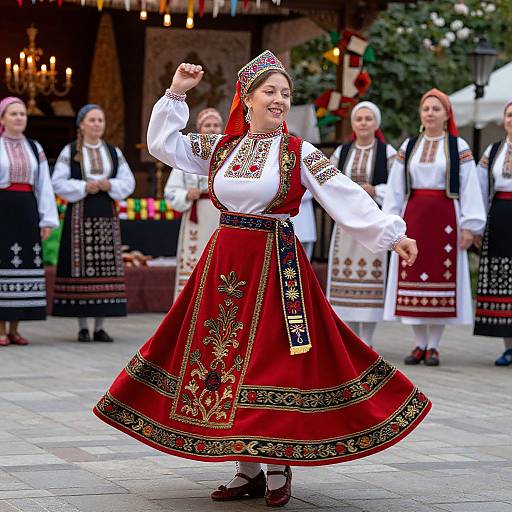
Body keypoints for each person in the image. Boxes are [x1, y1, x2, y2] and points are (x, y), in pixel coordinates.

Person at [94, 51, 430, 508]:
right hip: (225, 266)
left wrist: (393, 236)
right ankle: (245, 467)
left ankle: (275, 465)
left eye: (285, 93)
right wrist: (176, 93)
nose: (278, 100)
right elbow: (162, 145)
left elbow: (344, 196)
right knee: (224, 360)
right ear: (247, 98)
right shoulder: (221, 148)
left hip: (275, 266)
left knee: (270, 360)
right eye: (269, 91)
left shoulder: (299, 152)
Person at [383, 89, 486, 366]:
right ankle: (419, 343)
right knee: (412, 272)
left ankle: (434, 346)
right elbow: (395, 187)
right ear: (421, 114)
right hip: (413, 217)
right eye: (426, 108)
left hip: (445, 221)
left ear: (446, 114)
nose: (430, 113)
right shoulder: (409, 146)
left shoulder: (458, 146)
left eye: (436, 109)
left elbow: (469, 186)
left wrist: (470, 225)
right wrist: (391, 222)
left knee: (441, 276)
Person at [52, 104, 135, 342]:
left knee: (104, 265)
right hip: (80, 212)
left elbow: (127, 180)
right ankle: (83, 327)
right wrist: (83, 187)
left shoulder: (112, 151)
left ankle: (100, 326)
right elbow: (57, 181)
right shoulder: (71, 151)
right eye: (92, 120)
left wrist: (110, 185)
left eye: (100, 120)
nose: (97, 124)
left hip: (105, 213)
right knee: (82, 268)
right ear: (81, 124)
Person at [327, 102, 396, 348]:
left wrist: (375, 189)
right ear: (353, 124)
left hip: (371, 222)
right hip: (345, 224)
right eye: (359, 119)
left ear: (376, 124)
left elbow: (397, 187)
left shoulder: (387, 152)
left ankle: (367, 340)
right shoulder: (341, 153)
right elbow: (328, 183)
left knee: (370, 277)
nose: (363, 123)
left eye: (368, 119)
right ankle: (351, 339)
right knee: (343, 278)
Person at [0, 97, 59, 346]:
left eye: (22, 114)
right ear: (2, 118)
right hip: (3, 210)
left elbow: (44, 185)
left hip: (27, 211)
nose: (19, 118)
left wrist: (46, 219)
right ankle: (1, 329)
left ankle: (15, 328)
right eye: (13, 114)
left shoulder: (35, 148)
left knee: (23, 264)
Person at [164, 107, 223, 300]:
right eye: (207, 125)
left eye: (216, 125)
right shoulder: (188, 155)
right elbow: (170, 193)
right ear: (199, 128)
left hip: (222, 218)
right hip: (196, 219)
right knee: (195, 263)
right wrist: (187, 194)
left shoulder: (229, 155)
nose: (212, 129)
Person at [474, 99, 512, 366]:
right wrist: (478, 224)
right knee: (502, 278)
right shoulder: (494, 150)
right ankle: (508, 346)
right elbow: (479, 186)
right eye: (509, 115)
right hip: (500, 218)